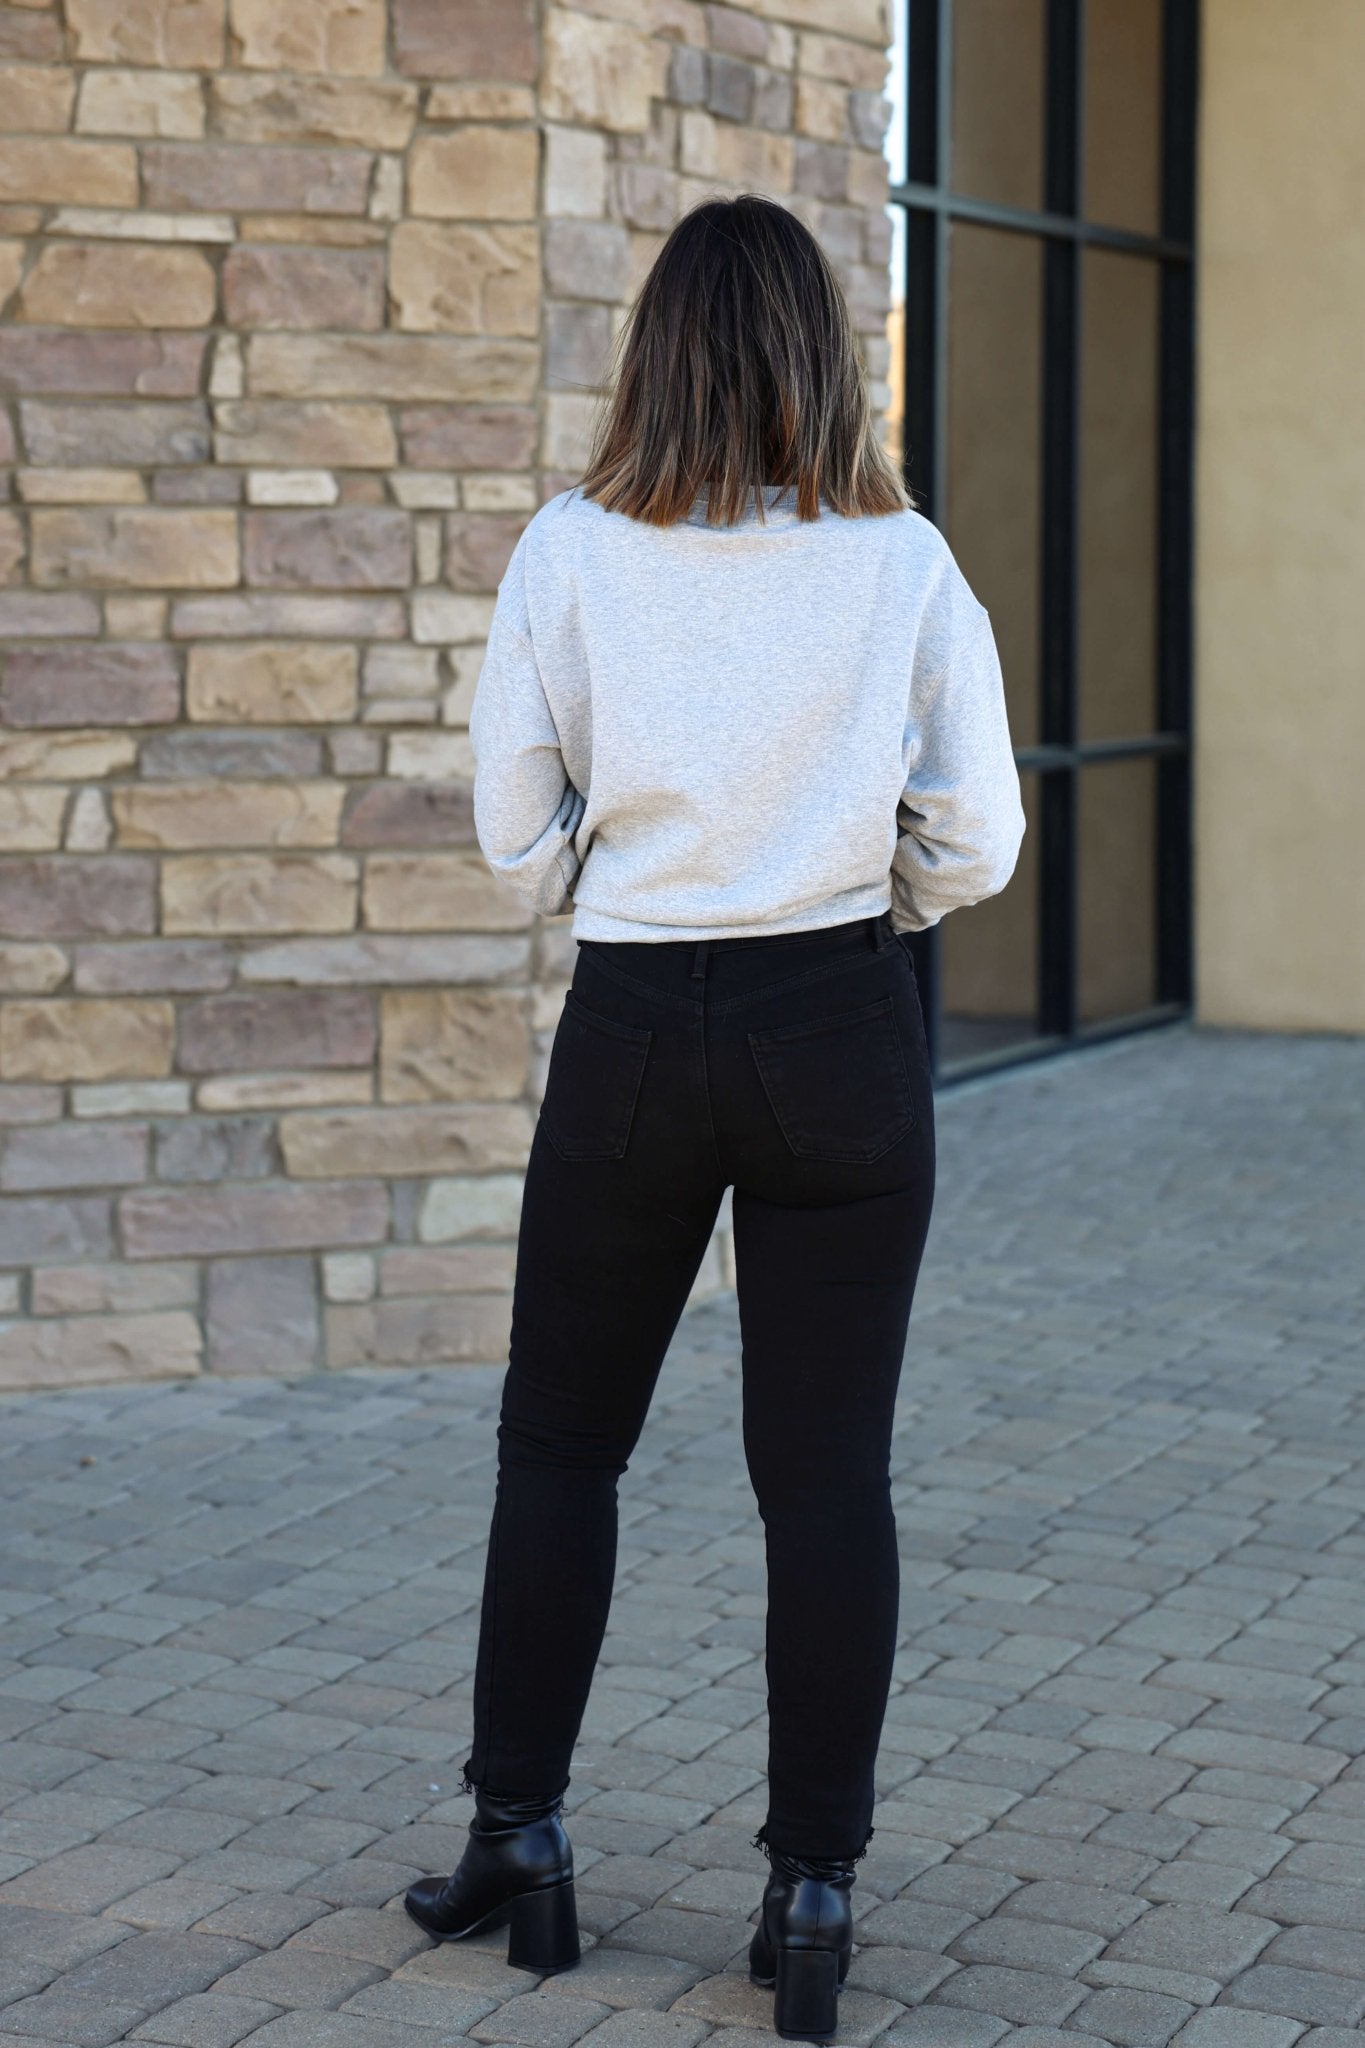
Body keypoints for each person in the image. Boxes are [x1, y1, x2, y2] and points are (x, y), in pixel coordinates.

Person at [403, 191, 1025, 2043]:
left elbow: (515, 833)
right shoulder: (900, 559)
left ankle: (520, 1838)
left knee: (560, 1447)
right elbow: (978, 838)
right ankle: (809, 1894)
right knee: (825, 1478)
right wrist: (865, 895)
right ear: (819, 358)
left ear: (655, 348)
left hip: (636, 1028)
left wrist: (633, 860)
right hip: (838, 1014)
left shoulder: (572, 551)